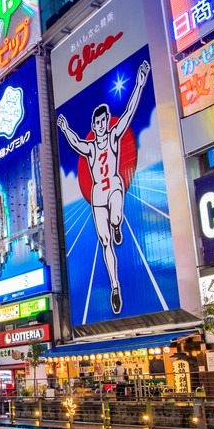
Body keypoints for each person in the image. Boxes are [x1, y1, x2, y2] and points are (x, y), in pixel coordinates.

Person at [57, 60, 150, 314]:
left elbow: (130, 111)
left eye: (103, 121)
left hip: (115, 187)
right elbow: (76, 142)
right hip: (98, 194)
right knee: (105, 241)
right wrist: (65, 129)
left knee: (117, 217)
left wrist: (140, 82)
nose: (100, 126)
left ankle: (118, 224)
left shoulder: (113, 136)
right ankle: (115, 287)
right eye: (97, 123)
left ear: (107, 121)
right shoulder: (90, 148)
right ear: (94, 124)